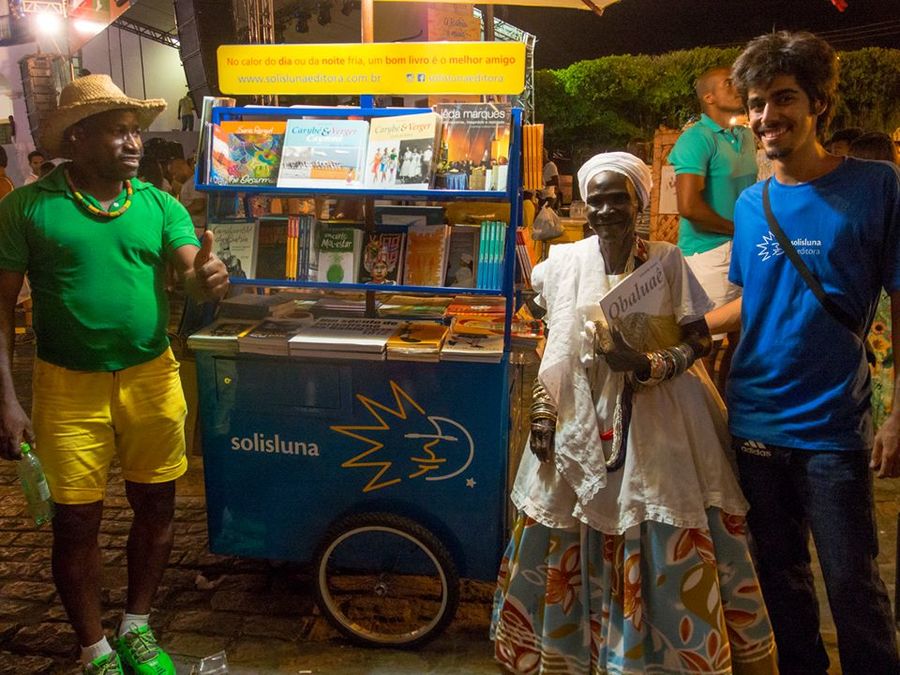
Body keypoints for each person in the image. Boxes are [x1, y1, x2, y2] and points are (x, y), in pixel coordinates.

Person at [492, 152, 776, 675]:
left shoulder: (667, 262)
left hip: (661, 418)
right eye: (595, 199)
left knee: (653, 515)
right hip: (578, 411)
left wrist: (645, 363)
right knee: (570, 523)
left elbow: (698, 341)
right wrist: (542, 410)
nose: (604, 210)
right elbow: (544, 335)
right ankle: (572, 656)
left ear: (639, 203)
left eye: (617, 198)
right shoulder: (564, 264)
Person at [0, 74, 229, 675]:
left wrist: (205, 275)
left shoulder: (157, 204)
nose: (134, 144)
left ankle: (136, 625)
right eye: (118, 133)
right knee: (76, 519)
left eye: (135, 132)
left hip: (151, 375)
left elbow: (188, 266)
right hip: (65, 385)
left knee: (157, 504)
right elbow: (0, 308)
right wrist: (7, 400)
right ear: (77, 139)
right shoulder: (27, 207)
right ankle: (94, 646)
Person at [708, 32, 900, 675]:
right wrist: (686, 327)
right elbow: (753, 300)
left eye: (783, 98)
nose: (767, 116)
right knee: (781, 587)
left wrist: (898, 413)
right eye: (756, 103)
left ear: (819, 102)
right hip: (754, 421)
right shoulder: (750, 202)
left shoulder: (876, 187)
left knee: (854, 589)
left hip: (832, 433)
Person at [668, 66, 757, 392]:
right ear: (709, 97)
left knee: (742, 334)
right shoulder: (696, 139)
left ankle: (726, 413)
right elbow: (689, 207)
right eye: (727, 83)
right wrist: (740, 229)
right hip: (707, 254)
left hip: (743, 248)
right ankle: (699, 418)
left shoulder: (745, 135)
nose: (737, 86)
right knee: (705, 342)